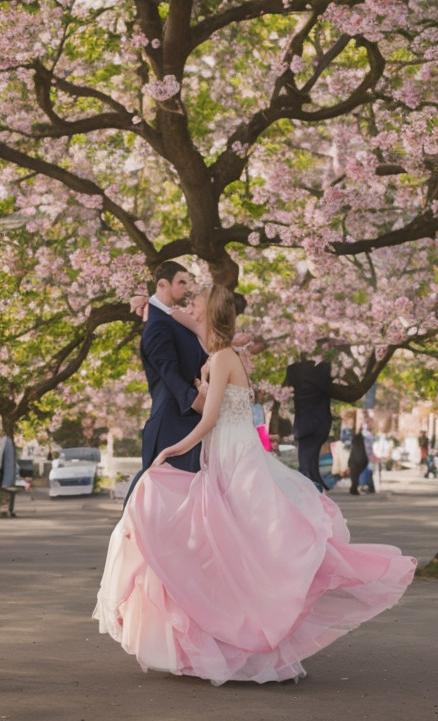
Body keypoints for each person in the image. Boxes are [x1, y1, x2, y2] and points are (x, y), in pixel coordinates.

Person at [94, 285, 415, 685]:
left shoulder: (226, 357)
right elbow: (181, 319)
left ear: (210, 316)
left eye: (197, 305)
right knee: (233, 548)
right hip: (229, 453)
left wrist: (170, 449)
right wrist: (149, 305)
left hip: (234, 456)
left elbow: (209, 420)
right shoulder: (226, 355)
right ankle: (231, 637)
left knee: (244, 549)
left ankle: (248, 635)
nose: (190, 308)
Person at [131, 261, 208, 498]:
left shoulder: (172, 318)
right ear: (162, 284)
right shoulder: (156, 324)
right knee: (162, 498)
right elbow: (168, 371)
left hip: (187, 421)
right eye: (181, 282)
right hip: (172, 421)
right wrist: (194, 401)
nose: (186, 287)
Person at [284, 351, 361, 491]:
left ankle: (311, 486)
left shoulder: (293, 370)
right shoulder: (323, 368)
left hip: (303, 421)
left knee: (306, 460)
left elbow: (285, 392)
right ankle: (312, 486)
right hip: (320, 421)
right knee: (311, 461)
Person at [1, 426, 18, 519]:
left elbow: (9, 463)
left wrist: (6, 483)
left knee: (4, 496)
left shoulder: (5, 441)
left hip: (2, 474)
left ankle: (5, 511)